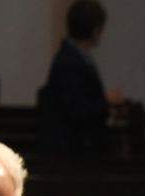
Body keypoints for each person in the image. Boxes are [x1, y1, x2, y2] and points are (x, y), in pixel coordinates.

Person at [37, 0, 124, 157]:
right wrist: (106, 101)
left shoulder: (76, 57)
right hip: (74, 148)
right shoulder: (69, 61)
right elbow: (76, 107)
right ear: (95, 30)